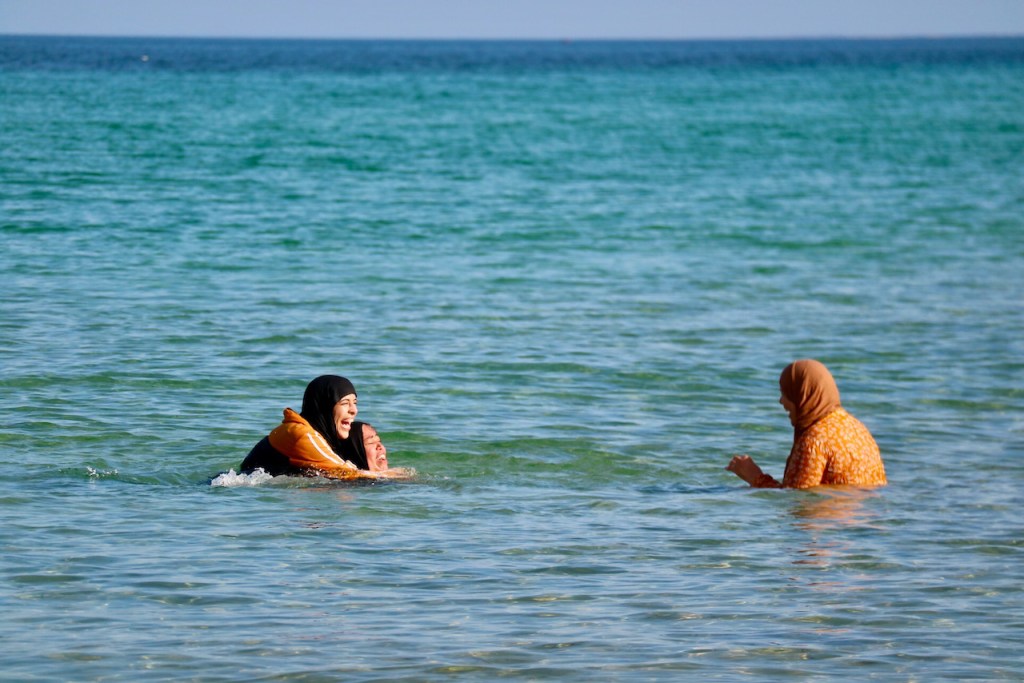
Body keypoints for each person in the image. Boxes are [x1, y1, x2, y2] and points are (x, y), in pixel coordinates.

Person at [726, 359, 887, 489]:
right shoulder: (857, 428)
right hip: (865, 515)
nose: (781, 401)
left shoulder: (814, 440)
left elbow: (796, 499)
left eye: (786, 394)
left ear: (804, 395)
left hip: (834, 517)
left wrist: (754, 477)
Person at [240, 375, 373, 479]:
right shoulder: (303, 434)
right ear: (325, 407)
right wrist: (385, 476)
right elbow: (346, 473)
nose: (354, 410)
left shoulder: (309, 432)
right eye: (344, 403)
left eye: (355, 403)